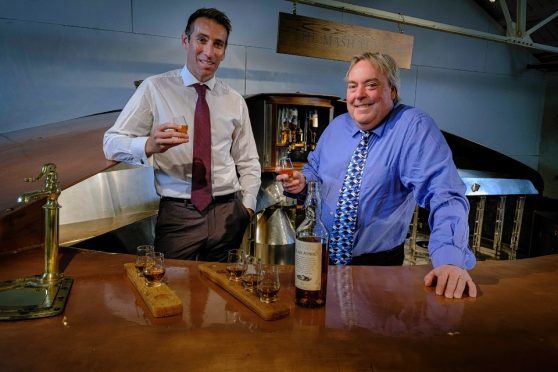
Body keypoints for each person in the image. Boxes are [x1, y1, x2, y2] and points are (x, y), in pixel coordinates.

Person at [277, 52, 477, 299]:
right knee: (317, 329)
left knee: (368, 336)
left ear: (392, 91)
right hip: (321, 259)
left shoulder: (412, 127)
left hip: (376, 269)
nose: (359, 95)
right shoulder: (337, 127)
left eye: (371, 85)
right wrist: (302, 183)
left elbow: (444, 192)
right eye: (353, 86)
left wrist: (449, 260)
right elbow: (314, 171)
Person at [104, 8, 260, 262]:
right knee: (172, 291)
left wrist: (248, 208)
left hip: (228, 213)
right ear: (185, 41)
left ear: (224, 50)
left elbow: (249, 161)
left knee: (222, 296)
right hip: (179, 215)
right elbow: (111, 143)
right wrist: (149, 145)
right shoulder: (154, 88)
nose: (209, 52)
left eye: (218, 44)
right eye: (201, 40)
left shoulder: (234, 100)